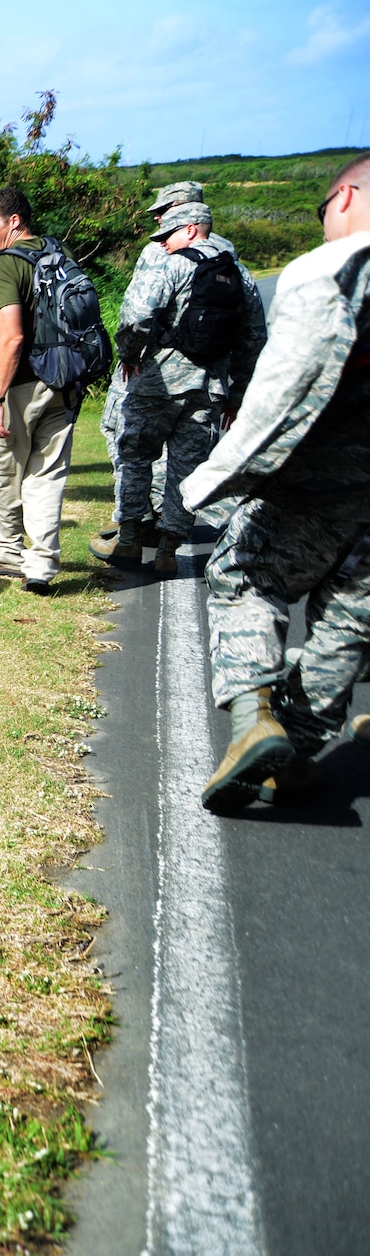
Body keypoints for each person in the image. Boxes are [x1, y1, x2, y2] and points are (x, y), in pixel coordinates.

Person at [190, 150, 370, 810]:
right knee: (351, 617)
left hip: (320, 477)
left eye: (324, 211)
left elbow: (285, 383)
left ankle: (254, 724)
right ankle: (292, 750)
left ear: (346, 197)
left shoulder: (335, 267)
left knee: (241, 569)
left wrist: (226, 470)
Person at [101, 201, 266, 572]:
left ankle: (127, 541)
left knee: (135, 458)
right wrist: (236, 396)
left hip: (155, 384)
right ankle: (168, 552)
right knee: (184, 471)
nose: (163, 243)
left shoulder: (171, 265)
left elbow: (137, 314)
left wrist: (129, 354)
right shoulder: (242, 275)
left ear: (191, 230)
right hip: (208, 391)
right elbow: (253, 340)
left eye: (168, 234)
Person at [0, 186, 83, 595]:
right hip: (65, 380)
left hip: (23, 386)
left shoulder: (3, 266)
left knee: (5, 469)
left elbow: (12, 339)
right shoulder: (58, 253)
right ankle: (42, 566)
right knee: (47, 474)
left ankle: (7, 552)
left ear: (14, 222)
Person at [92, 180, 205, 558]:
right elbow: (251, 331)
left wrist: (128, 354)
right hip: (207, 383)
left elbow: (136, 312)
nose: (158, 218)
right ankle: (167, 542)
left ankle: (132, 528)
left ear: (187, 213)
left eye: (165, 210)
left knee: (130, 446)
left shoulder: (162, 253)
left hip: (154, 374)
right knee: (182, 462)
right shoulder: (227, 257)